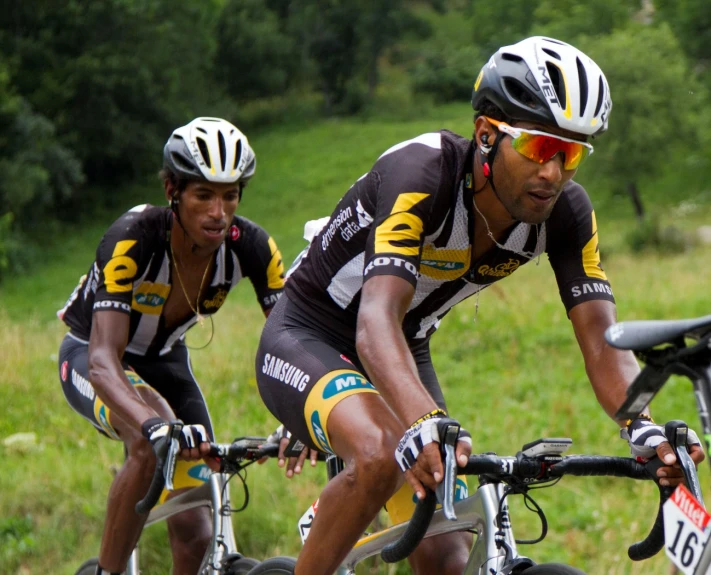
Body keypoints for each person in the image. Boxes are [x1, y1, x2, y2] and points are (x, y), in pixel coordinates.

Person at [255, 36, 705, 574]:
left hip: (405, 345)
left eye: (572, 154)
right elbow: (374, 321)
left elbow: (602, 337)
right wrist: (422, 419)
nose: (553, 173)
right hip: (310, 334)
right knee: (378, 452)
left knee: (446, 549)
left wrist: (642, 426)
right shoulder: (420, 173)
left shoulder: (565, 213)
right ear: (487, 134)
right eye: (541, 149)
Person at [57, 117, 285, 575]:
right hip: (93, 356)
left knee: (198, 529)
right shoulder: (133, 236)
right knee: (150, 441)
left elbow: (295, 340)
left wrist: (298, 422)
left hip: (166, 364)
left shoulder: (253, 247)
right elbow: (103, 362)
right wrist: (150, 425)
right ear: (172, 190)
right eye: (204, 195)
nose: (219, 212)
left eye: (230, 195)